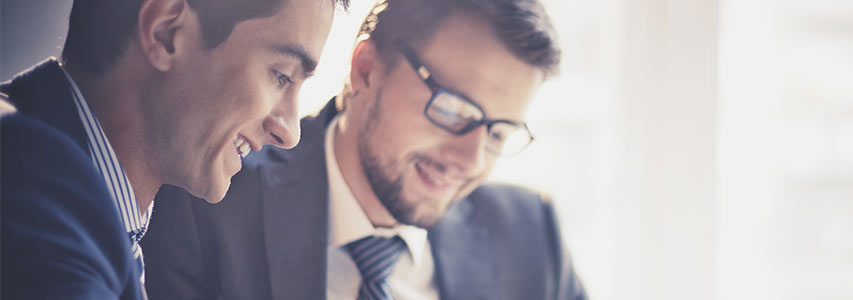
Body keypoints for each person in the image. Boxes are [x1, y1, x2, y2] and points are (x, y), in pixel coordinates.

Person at [140, 0, 587, 299]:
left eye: (497, 133)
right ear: (368, 70)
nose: (471, 161)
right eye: (454, 111)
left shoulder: (531, 238)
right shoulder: (204, 202)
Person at [0, 0, 349, 298]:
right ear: (165, 33)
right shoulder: (31, 204)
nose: (289, 132)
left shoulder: (90, 211)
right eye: (281, 75)